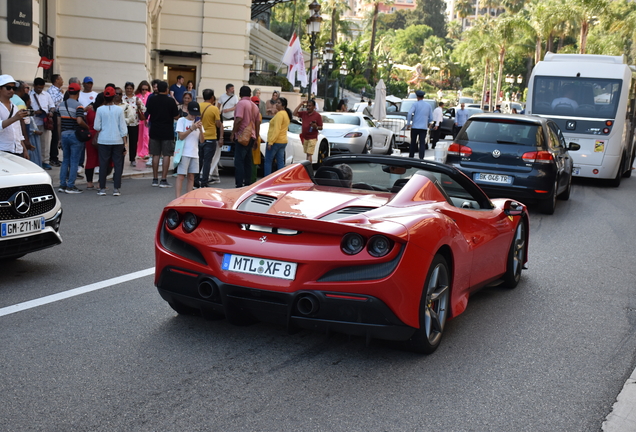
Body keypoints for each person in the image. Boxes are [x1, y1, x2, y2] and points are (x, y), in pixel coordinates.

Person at [94, 86, 127, 196]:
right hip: (117, 140)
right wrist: (124, 142)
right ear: (114, 96)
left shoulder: (99, 109)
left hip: (103, 139)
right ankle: (116, 188)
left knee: (103, 164)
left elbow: (97, 126)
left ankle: (102, 188)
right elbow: (123, 128)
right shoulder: (119, 110)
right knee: (118, 164)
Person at [145, 80, 179, 188]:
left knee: (155, 155)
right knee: (166, 155)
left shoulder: (152, 99)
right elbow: (176, 116)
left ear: (157, 89)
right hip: (167, 130)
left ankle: (155, 179)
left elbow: (147, 113)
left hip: (154, 129)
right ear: (167, 89)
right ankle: (163, 180)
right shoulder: (170, 101)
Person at [57, 82, 87, 194]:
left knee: (65, 160)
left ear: (69, 92)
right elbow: (79, 120)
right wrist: (86, 126)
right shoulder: (79, 106)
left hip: (64, 134)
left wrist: (59, 138)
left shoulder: (60, 105)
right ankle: (71, 186)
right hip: (75, 135)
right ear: (78, 92)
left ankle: (62, 184)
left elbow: (59, 123)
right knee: (74, 161)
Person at [230, 85, 260, 188]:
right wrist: (256, 137)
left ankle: (239, 184)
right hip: (251, 136)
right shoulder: (254, 106)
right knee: (248, 161)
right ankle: (248, 183)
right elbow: (258, 122)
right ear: (250, 94)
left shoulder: (241, 104)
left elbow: (238, 120)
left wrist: (233, 132)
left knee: (239, 161)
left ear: (240, 94)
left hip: (242, 136)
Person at [175, 101, 204, 197]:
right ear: (187, 110)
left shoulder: (198, 122)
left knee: (191, 177)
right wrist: (192, 128)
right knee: (181, 176)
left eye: (195, 114)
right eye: (192, 113)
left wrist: (200, 129)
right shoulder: (181, 121)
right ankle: (178, 198)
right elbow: (181, 136)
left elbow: (202, 141)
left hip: (194, 153)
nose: (193, 116)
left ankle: (188, 197)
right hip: (184, 153)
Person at [198, 89, 223, 187]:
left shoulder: (198, 106)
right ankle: (204, 181)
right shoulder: (214, 109)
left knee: (199, 160)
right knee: (207, 161)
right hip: (211, 137)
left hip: (200, 136)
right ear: (212, 97)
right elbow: (217, 124)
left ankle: (196, 180)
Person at [30, 77, 56, 169]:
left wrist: (51, 112)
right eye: (38, 88)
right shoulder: (29, 95)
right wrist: (35, 112)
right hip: (33, 123)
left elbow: (52, 106)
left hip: (45, 122)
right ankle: (35, 162)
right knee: (34, 143)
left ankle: (45, 161)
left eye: (41, 87)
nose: (40, 89)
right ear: (34, 86)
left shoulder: (46, 95)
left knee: (45, 143)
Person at [0, 75, 28, 157]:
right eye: (8, 88)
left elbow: (18, 131)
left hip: (17, 149)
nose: (11, 90)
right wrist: (15, 118)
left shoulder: (14, 106)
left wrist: (24, 149)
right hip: (3, 149)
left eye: (14, 88)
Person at [265, 96, 291, 176]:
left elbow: (277, 129)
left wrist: (271, 142)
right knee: (280, 161)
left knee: (268, 161)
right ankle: (281, 178)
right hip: (283, 141)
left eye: (279, 103)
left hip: (276, 141)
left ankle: (266, 180)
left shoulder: (279, 114)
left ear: (283, 105)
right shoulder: (286, 114)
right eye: (277, 102)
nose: (276, 104)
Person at [122, 81, 146, 165]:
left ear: (133, 89)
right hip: (123, 123)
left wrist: (139, 105)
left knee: (133, 142)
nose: (129, 90)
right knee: (122, 142)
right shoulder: (122, 98)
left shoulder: (136, 99)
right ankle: (120, 158)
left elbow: (144, 109)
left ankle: (132, 159)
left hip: (134, 123)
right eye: (127, 88)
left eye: (130, 88)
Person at [406, 90, 433, 159]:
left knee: (413, 142)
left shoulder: (415, 104)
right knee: (422, 143)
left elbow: (409, 113)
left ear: (417, 97)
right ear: (423, 97)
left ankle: (411, 157)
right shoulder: (428, 106)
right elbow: (431, 118)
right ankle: (421, 157)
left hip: (415, 126)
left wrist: (408, 123)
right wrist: (428, 122)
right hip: (423, 127)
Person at [293, 99, 323, 164]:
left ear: (314, 107)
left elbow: (321, 127)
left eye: (310, 106)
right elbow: (294, 113)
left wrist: (316, 127)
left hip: (312, 137)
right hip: (305, 137)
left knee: (309, 154)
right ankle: (308, 168)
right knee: (307, 154)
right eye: (307, 106)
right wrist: (300, 104)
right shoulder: (304, 113)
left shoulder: (318, 116)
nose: (308, 107)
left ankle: (308, 169)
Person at [21, 94, 42, 166]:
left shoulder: (29, 111)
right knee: (32, 156)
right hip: (30, 137)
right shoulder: (24, 113)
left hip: (34, 137)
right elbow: (25, 127)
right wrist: (35, 131)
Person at [135, 80, 152, 160]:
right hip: (139, 117)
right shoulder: (137, 96)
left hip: (147, 117)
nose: (145, 91)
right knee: (139, 136)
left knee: (146, 135)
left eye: (146, 89)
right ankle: (140, 152)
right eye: (143, 89)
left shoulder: (150, 95)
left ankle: (146, 152)